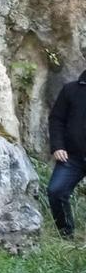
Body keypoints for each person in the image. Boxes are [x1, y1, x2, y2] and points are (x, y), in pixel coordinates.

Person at [47, 68, 86, 238]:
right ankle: (66, 235)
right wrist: (57, 146)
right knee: (56, 191)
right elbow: (57, 119)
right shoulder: (71, 89)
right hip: (72, 157)